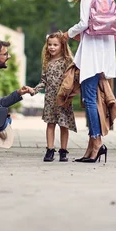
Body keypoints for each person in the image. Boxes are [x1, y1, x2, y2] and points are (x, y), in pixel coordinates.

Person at [63, 0, 116, 163]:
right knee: (92, 97)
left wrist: (67, 34)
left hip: (92, 55)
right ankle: (91, 147)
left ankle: (97, 144)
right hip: (104, 51)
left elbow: (84, 22)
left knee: (90, 98)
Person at [32, 31, 76, 162]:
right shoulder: (47, 62)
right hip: (50, 99)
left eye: (55, 45)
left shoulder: (67, 61)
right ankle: (50, 150)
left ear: (62, 46)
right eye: (49, 44)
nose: (52, 47)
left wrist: (70, 94)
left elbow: (72, 79)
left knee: (64, 125)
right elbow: (43, 80)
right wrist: (35, 90)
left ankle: (63, 151)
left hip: (63, 98)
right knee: (50, 124)